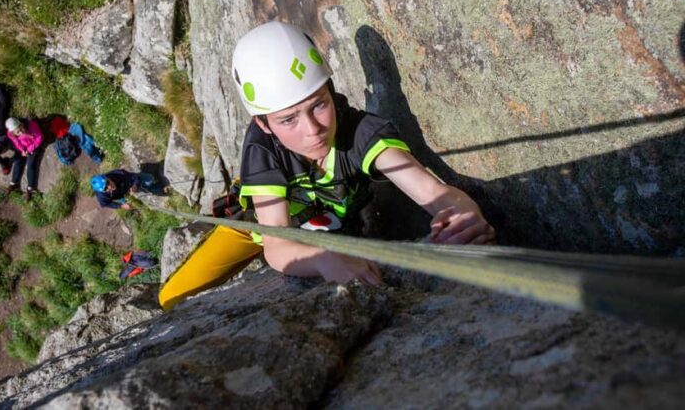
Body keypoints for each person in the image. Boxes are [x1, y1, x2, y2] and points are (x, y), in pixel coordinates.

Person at [157, 21, 494, 310]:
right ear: (264, 124)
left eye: (319, 105)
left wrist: (461, 213)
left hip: (336, 226)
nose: (312, 129)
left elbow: (433, 192)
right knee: (172, 297)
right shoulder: (262, 148)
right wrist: (322, 259)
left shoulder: (362, 134)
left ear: (331, 91)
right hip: (256, 229)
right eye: (288, 120)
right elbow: (276, 240)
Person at [4, 117, 44, 201]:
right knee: (18, 161)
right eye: (18, 132)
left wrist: (29, 150)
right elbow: (16, 142)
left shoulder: (32, 126)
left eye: (21, 128)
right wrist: (22, 150)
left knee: (31, 164)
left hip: (33, 147)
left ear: (21, 124)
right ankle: (13, 183)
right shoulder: (10, 134)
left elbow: (39, 138)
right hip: (23, 149)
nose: (21, 132)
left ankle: (30, 188)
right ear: (13, 132)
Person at [91, 169, 169, 210]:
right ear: (102, 191)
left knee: (150, 179)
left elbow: (135, 177)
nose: (109, 187)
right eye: (105, 188)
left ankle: (160, 189)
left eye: (107, 183)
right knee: (129, 203)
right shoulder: (102, 196)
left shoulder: (118, 174)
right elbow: (105, 204)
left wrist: (135, 185)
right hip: (121, 196)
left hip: (129, 185)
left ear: (107, 178)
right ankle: (160, 190)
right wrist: (121, 206)